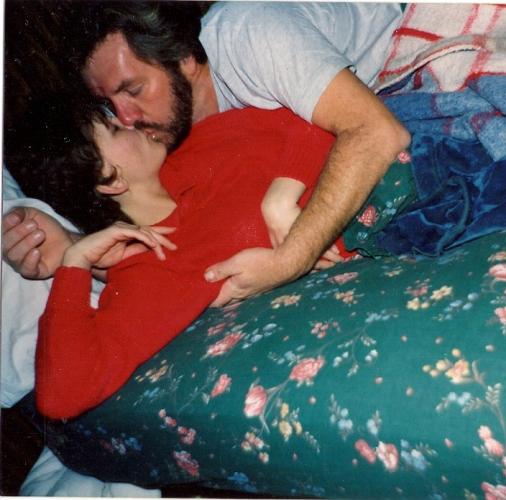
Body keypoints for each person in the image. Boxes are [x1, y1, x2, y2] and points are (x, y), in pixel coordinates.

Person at [3, 1, 410, 305]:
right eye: (109, 104)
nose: (125, 118)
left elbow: (376, 130)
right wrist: (73, 248)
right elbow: (184, 249)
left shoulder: (249, 34)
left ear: (183, 58)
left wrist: (291, 258)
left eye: (134, 89)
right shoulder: (166, 135)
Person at [10, 86, 352, 419]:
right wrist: (74, 262)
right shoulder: (149, 270)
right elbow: (62, 395)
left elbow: (316, 115)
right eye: (114, 128)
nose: (129, 119)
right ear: (109, 180)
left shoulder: (201, 142)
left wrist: (287, 203)